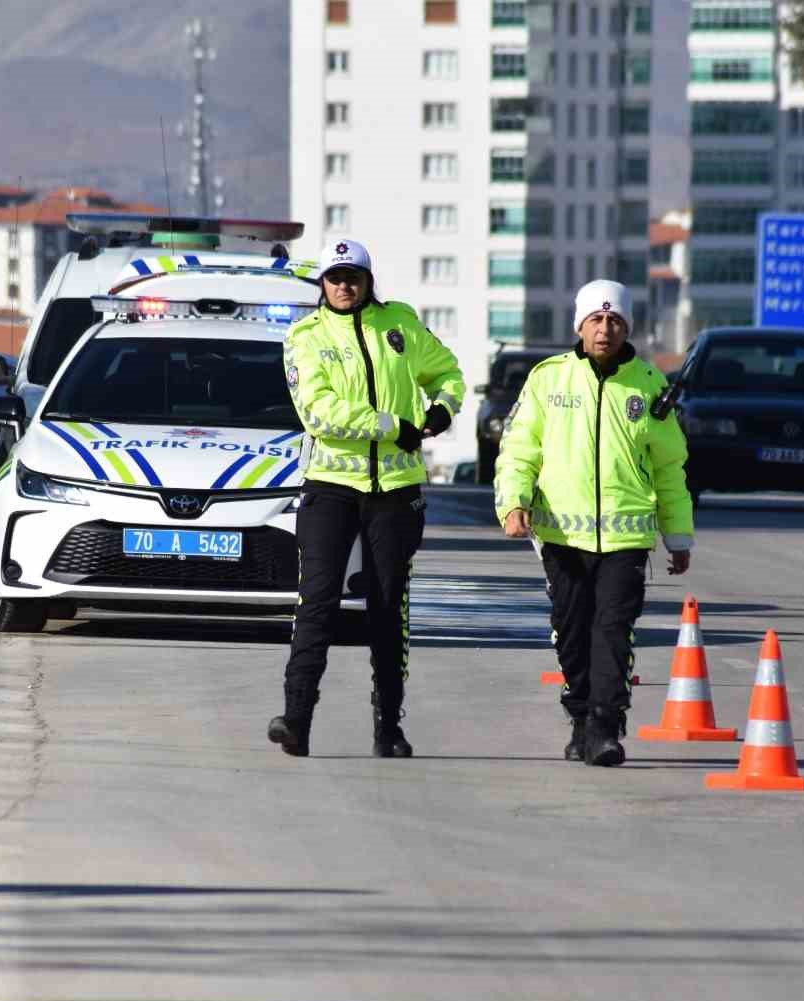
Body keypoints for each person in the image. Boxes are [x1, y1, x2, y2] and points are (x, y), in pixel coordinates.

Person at [268, 239, 465, 758]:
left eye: (353, 277)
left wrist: (442, 410)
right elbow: (319, 411)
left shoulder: (400, 323)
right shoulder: (305, 336)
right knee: (317, 602)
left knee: (387, 608)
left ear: (368, 280)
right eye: (335, 277)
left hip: (395, 492)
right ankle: (296, 719)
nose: (344, 286)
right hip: (331, 487)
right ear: (322, 283)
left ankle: (389, 727)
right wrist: (392, 426)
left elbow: (449, 374)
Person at [495, 280, 693, 767]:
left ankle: (606, 726)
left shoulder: (649, 385)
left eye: (615, 320)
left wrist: (677, 534)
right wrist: (514, 503)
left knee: (612, 630)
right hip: (562, 536)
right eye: (596, 320)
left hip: (626, 538)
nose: (605, 329)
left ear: (627, 328)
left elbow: (669, 466)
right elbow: (519, 450)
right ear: (580, 326)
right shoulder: (548, 379)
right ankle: (580, 718)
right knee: (571, 631)